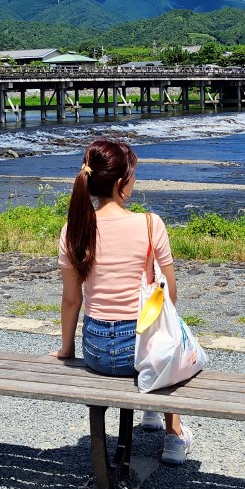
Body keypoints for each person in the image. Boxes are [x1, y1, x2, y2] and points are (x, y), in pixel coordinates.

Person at [55, 138, 193, 465]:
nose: (135, 183)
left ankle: (150, 412)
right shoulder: (149, 223)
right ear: (121, 184)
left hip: (97, 352)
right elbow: (169, 296)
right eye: (133, 177)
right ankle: (173, 435)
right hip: (140, 351)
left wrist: (66, 350)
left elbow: (72, 300)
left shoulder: (73, 229)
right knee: (168, 328)